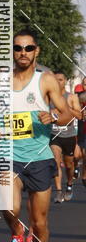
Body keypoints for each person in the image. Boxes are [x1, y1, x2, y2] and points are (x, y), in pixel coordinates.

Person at [4, 28, 73, 242]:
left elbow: (67, 114)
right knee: (10, 206)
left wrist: (53, 118)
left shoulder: (45, 80)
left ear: (37, 51)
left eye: (28, 48)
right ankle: (17, 234)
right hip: (10, 156)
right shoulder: (0, 81)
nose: (23, 53)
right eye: (18, 48)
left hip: (40, 158)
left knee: (40, 222)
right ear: (12, 51)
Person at [49, 73, 81, 203]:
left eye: (61, 80)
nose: (58, 82)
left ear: (65, 81)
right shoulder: (48, 97)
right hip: (53, 135)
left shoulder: (72, 97)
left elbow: (79, 115)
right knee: (56, 161)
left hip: (69, 135)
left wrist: (66, 108)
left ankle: (69, 184)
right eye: (55, 80)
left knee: (68, 165)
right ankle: (58, 191)